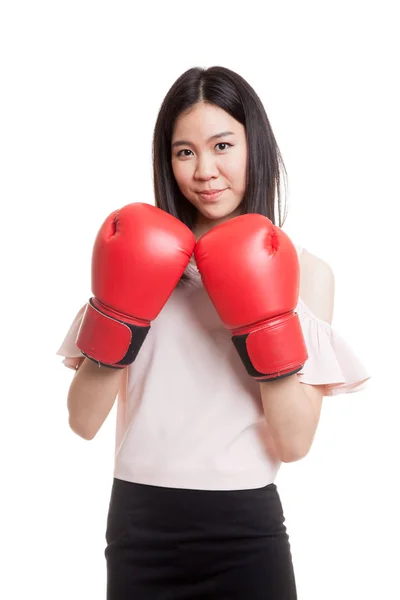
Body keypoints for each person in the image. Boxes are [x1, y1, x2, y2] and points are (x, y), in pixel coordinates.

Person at [57, 66, 370, 599]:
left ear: (256, 146)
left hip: (245, 531)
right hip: (141, 525)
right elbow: (83, 422)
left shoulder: (308, 273)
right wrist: (125, 314)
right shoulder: (136, 257)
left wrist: (262, 317)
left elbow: (294, 444)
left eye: (222, 145)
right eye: (184, 152)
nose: (205, 170)